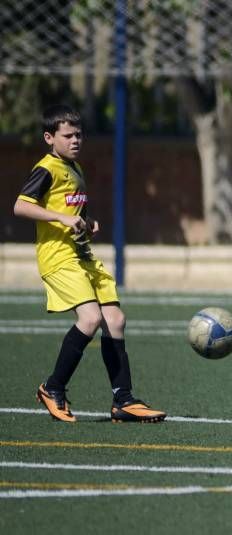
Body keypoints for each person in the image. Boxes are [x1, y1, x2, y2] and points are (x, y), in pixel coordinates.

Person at [13, 104, 166, 423]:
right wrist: (61, 217)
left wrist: (85, 221)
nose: (75, 140)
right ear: (49, 138)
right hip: (58, 257)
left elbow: (70, 212)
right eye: (67, 135)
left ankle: (123, 400)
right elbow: (21, 206)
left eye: (79, 134)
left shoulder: (75, 168)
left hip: (82, 256)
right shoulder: (46, 168)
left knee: (115, 319)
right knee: (91, 317)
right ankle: (52, 388)